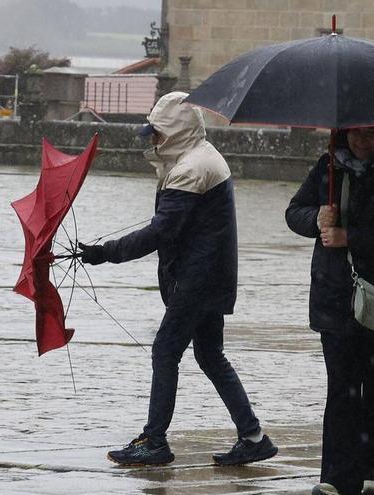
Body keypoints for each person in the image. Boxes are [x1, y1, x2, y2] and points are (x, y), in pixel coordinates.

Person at [78, 91, 277, 467]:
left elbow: (161, 232)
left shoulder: (191, 168)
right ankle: (253, 436)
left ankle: (155, 441)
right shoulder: (198, 158)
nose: (152, 140)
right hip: (208, 275)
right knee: (209, 355)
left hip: (197, 279)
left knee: (166, 350)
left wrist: (106, 252)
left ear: (172, 132)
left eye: (156, 133)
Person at [285, 126, 374, 495]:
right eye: (354, 134)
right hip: (336, 298)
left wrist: (351, 237)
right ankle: (335, 475)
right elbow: (294, 212)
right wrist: (316, 219)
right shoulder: (327, 167)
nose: (361, 142)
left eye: (370, 135)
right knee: (341, 389)